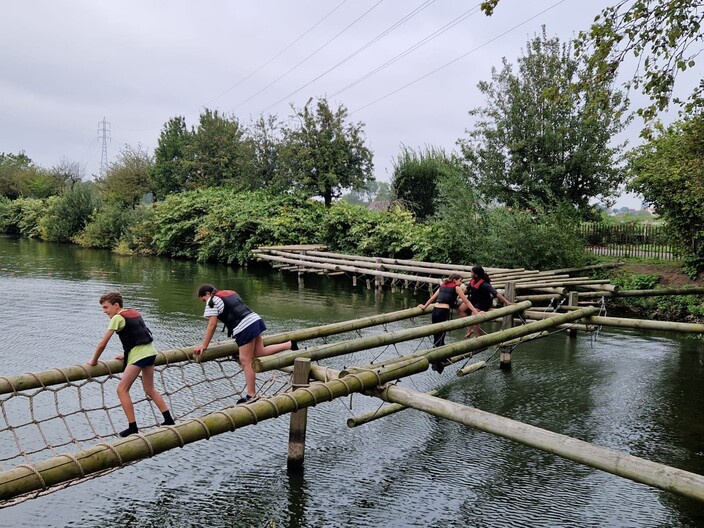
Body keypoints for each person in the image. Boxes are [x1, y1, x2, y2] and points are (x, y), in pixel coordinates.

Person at [88, 291, 175, 437]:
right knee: (150, 389)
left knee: (122, 390)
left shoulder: (117, 318)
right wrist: (126, 354)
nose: (104, 311)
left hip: (139, 357)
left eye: (106, 307)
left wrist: (94, 361)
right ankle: (168, 419)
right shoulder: (133, 312)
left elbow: (103, 343)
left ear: (116, 305)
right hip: (150, 353)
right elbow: (138, 334)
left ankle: (132, 427)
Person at [194, 284, 296, 404]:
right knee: (259, 352)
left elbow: (212, 324)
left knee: (245, 360)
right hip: (254, 319)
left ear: (207, 294)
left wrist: (204, 346)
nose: (204, 302)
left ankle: (251, 395)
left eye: (203, 300)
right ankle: (290, 345)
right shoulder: (229, 291)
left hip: (245, 326)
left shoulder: (212, 300)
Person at [418, 273, 479, 373]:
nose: (461, 283)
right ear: (455, 280)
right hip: (443, 311)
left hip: (435, 310)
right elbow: (467, 302)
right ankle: (438, 360)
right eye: (460, 281)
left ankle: (439, 358)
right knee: (441, 336)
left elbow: (433, 298)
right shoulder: (456, 287)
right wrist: (476, 312)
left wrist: (424, 306)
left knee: (436, 335)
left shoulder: (442, 286)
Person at [460, 266, 513, 338]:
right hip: (474, 300)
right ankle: (469, 329)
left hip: (483, 302)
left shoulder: (484, 284)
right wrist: (460, 295)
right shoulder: (472, 281)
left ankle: (479, 337)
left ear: (476, 275)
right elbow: (467, 289)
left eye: (472, 272)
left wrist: (507, 302)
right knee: (461, 309)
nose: (470, 274)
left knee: (474, 316)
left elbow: (495, 293)